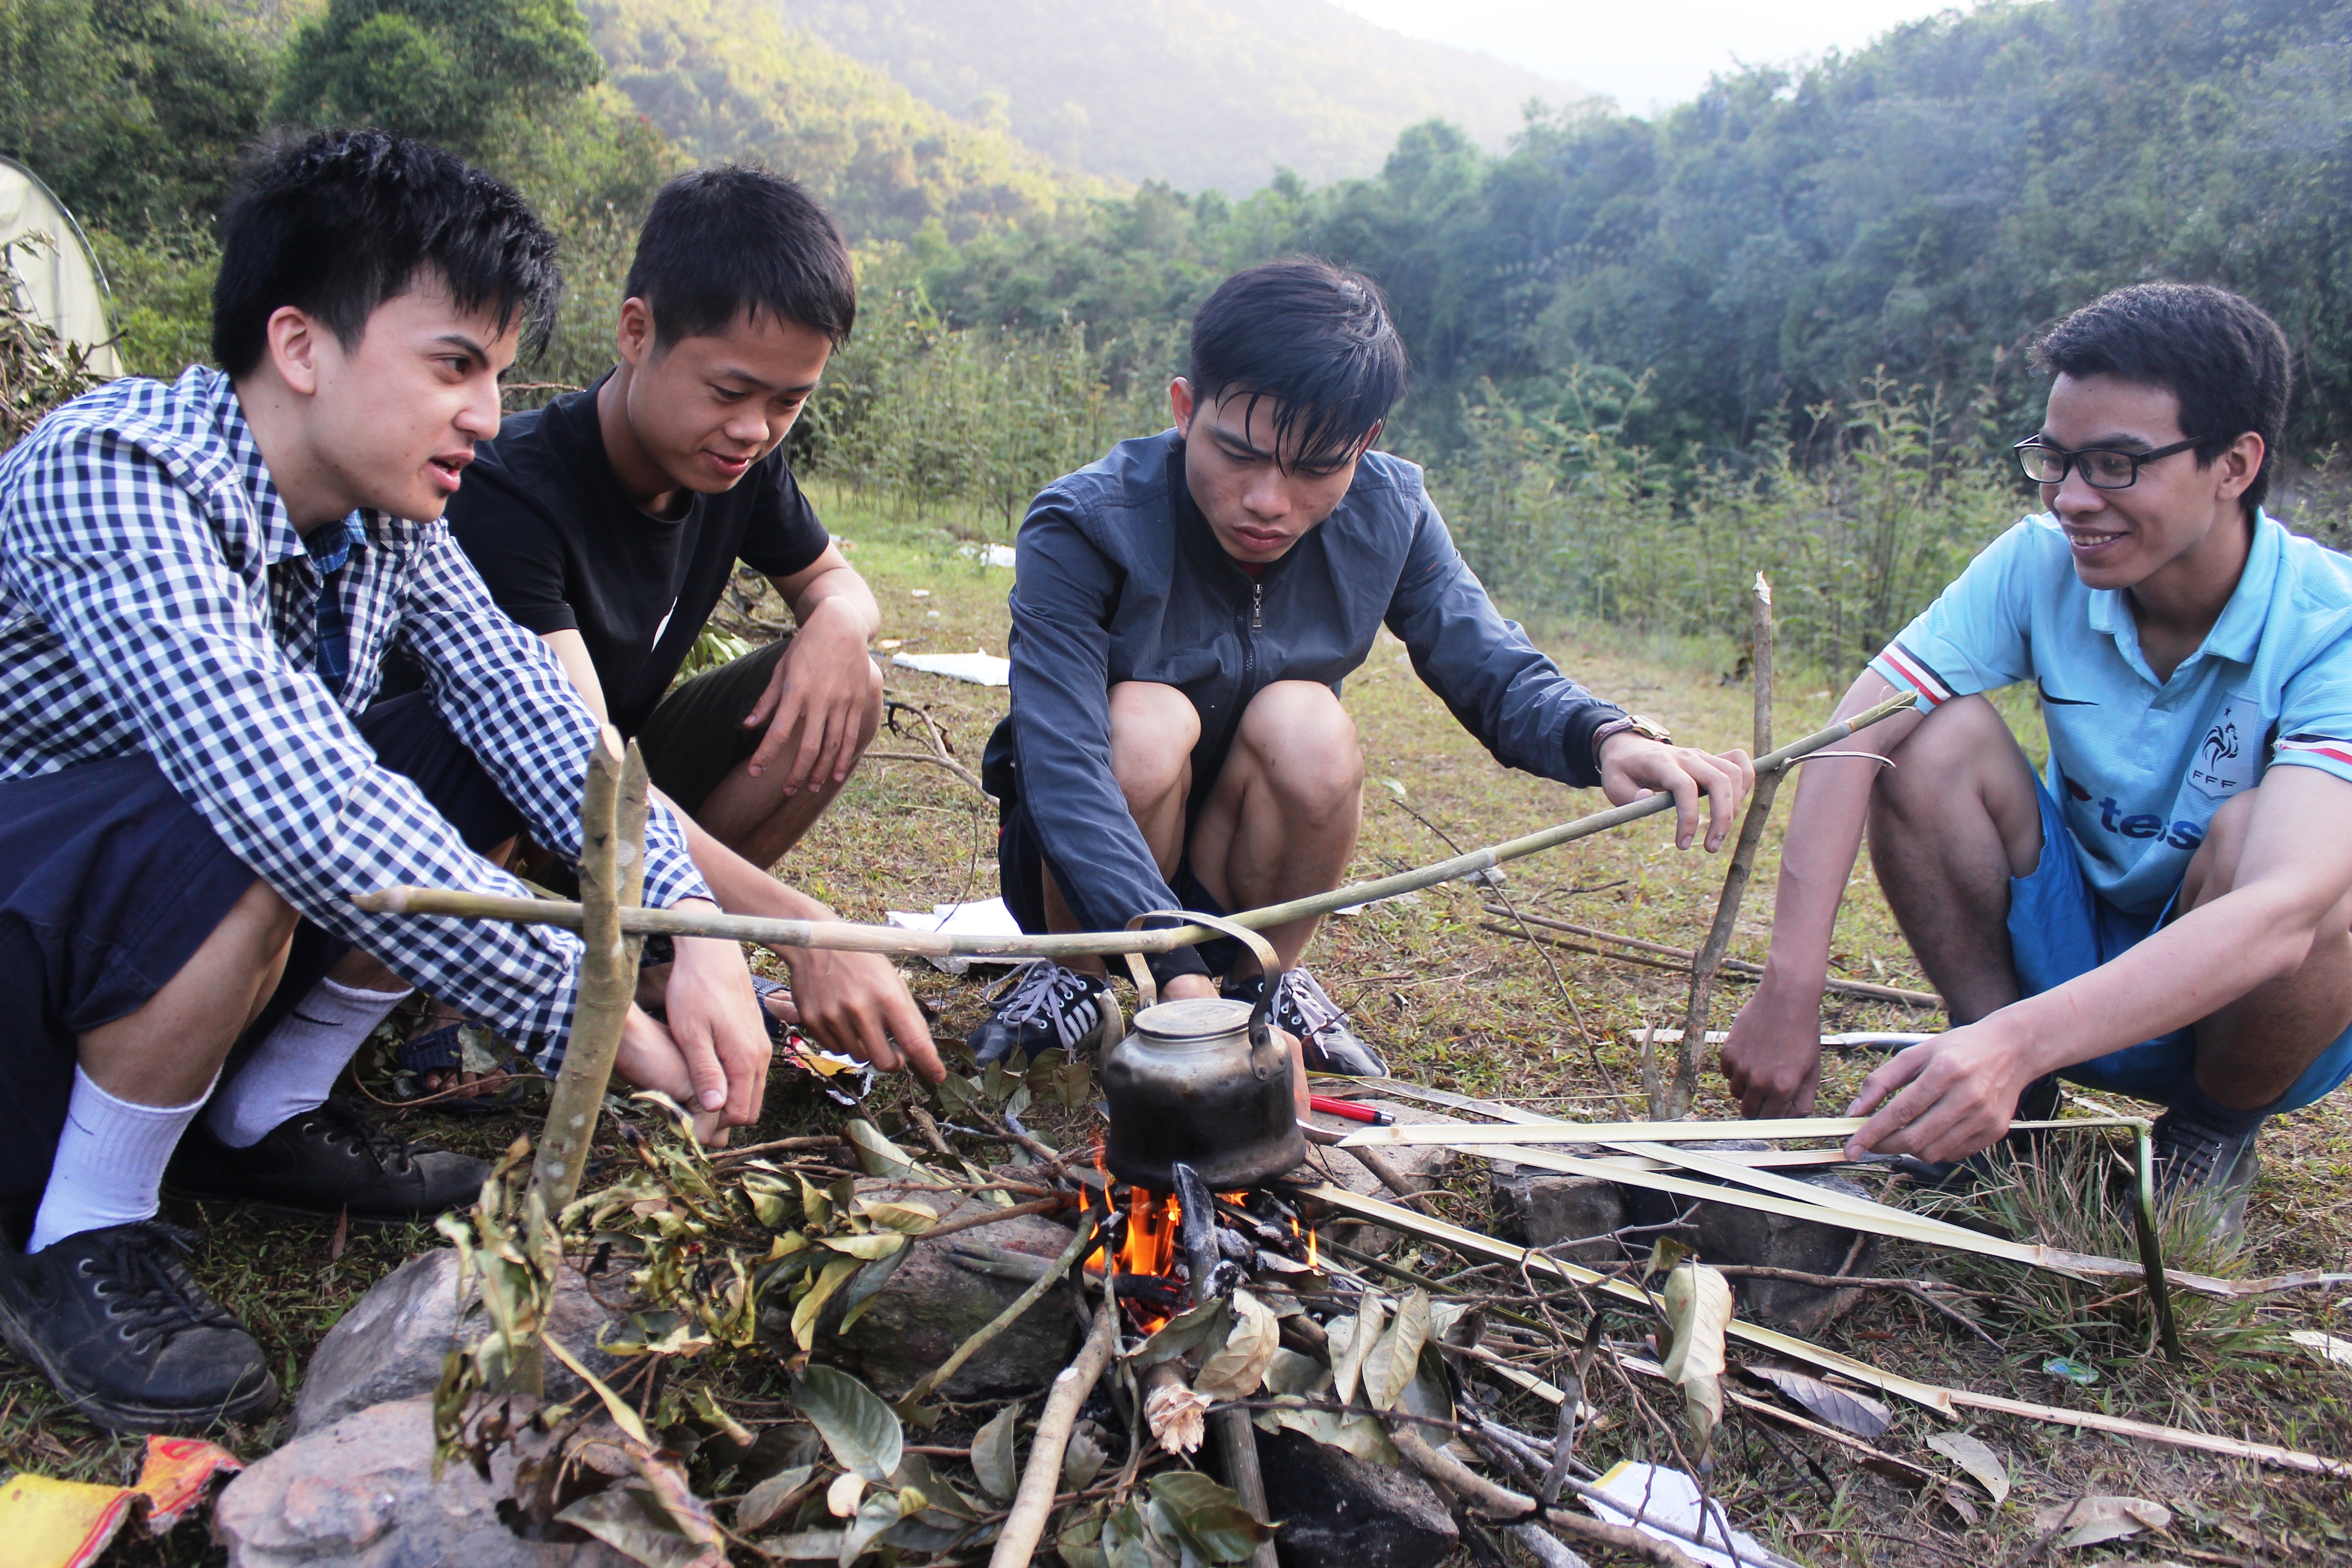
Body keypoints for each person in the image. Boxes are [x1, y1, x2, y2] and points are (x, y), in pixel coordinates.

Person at [0, 129, 772, 1431]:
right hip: (32, 943)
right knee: (272, 800)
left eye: (502, 374)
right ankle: (75, 1227)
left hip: (145, 921)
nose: (487, 412)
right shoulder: (115, 472)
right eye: (455, 365)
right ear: (302, 347)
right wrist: (587, 1011)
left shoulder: (386, 522)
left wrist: (689, 931)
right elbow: (290, 796)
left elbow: (538, 723)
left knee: (474, 741)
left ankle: (261, 1117)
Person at [968, 258, 1755, 1069]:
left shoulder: (1391, 513)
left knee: (1309, 722)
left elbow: (1486, 658)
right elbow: (1062, 764)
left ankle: (1260, 983)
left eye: (1315, 467)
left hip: (1241, 854)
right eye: (1238, 454)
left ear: (1365, 445)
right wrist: (1172, 971)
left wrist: (1607, 738)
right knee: (1143, 721)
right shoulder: (1086, 523)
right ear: (1182, 409)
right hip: (1085, 869)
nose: (1269, 501)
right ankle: (1079, 979)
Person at [1719, 283, 2352, 1240]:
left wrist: (2008, 1044)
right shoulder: (2039, 561)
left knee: (2313, 864)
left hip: (2231, 1007)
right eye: (2054, 460)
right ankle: (2016, 1111)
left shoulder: (2329, 626)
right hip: (2065, 955)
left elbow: (2285, 912)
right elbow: (1854, 733)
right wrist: (1790, 987)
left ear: (2235, 464)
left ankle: (2208, 1135)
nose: (2071, 497)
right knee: (1923, 734)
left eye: (2115, 464)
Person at [434, 165, 939, 1086]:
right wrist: (797, 927)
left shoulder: (736, 468)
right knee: (498, 766)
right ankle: (453, 1003)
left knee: (848, 678)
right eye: (730, 391)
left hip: (618, 797)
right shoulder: (511, 492)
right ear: (637, 333)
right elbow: (576, 768)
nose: (754, 430)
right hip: (494, 802)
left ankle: (664, 954)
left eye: (788, 404)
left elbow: (839, 583)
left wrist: (836, 622)